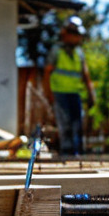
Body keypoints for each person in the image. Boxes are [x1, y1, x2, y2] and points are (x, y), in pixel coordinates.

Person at [43, 15, 96, 156]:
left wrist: (91, 93)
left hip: (75, 93)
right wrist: (49, 95)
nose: (78, 38)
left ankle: (77, 153)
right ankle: (66, 154)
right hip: (59, 93)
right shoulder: (56, 51)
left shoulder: (79, 53)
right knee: (65, 125)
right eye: (76, 35)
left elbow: (85, 75)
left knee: (77, 125)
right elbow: (47, 73)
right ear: (66, 34)